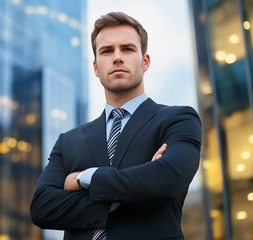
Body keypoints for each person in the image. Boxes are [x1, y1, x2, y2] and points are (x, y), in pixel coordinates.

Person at [30, 12, 202, 240]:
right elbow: (43, 207)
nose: (117, 57)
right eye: (107, 51)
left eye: (128, 49)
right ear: (95, 67)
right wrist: (141, 186)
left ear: (145, 61)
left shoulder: (178, 119)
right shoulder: (68, 140)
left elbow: (167, 181)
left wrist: (85, 178)